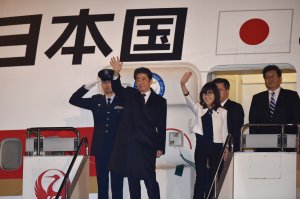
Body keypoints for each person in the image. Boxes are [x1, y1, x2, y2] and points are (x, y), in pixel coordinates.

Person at [108, 56, 167, 199]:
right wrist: (116, 73)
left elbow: (162, 125)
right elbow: (117, 87)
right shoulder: (129, 94)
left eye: (143, 79)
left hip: (148, 146)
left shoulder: (160, 101)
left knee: (150, 181)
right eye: (137, 79)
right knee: (133, 182)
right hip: (131, 147)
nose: (140, 82)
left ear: (150, 81)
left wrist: (160, 147)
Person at [69, 69, 124, 199]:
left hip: (117, 149)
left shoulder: (123, 100)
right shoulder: (96, 100)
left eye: (109, 82)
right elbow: (73, 100)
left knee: (117, 184)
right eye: (104, 82)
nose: (106, 85)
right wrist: (87, 86)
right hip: (101, 149)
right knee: (102, 183)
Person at [180, 72, 228, 199]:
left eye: (210, 93)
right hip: (201, 147)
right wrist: (182, 84)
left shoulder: (222, 112)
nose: (207, 96)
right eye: (205, 93)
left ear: (215, 95)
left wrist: (226, 149)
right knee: (200, 177)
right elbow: (188, 98)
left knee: (214, 177)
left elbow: (225, 132)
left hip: (216, 148)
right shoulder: (198, 108)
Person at [249, 65, 300, 151]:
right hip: (263, 145)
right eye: (267, 77)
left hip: (287, 144)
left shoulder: (292, 96)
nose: (270, 79)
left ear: (280, 79)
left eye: (273, 76)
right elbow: (252, 122)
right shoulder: (257, 98)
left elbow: (297, 119)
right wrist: (255, 143)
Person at [213, 78, 244, 152]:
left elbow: (235, 131)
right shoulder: (211, 107)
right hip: (213, 148)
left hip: (230, 149)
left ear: (227, 91)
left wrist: (227, 148)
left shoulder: (236, 107)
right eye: (215, 91)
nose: (216, 93)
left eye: (219, 90)